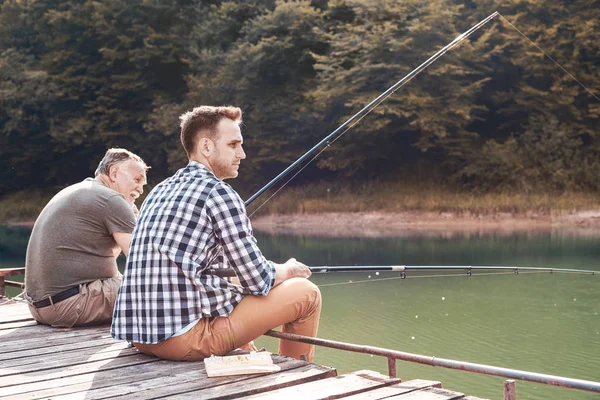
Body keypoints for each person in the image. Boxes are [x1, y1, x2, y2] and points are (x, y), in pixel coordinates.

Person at [111, 106, 322, 362]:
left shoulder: (159, 190)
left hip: (139, 337)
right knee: (306, 292)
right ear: (207, 147)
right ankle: (298, 372)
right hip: (182, 340)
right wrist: (288, 270)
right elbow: (258, 279)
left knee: (234, 291)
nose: (242, 154)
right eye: (233, 144)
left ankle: (250, 357)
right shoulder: (218, 193)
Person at [24, 148, 148, 328]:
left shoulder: (79, 190)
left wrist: (126, 221)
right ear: (114, 173)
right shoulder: (111, 199)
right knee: (156, 283)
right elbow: (142, 261)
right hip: (70, 305)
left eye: (143, 184)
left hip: (40, 308)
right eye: (137, 180)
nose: (140, 189)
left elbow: (106, 256)